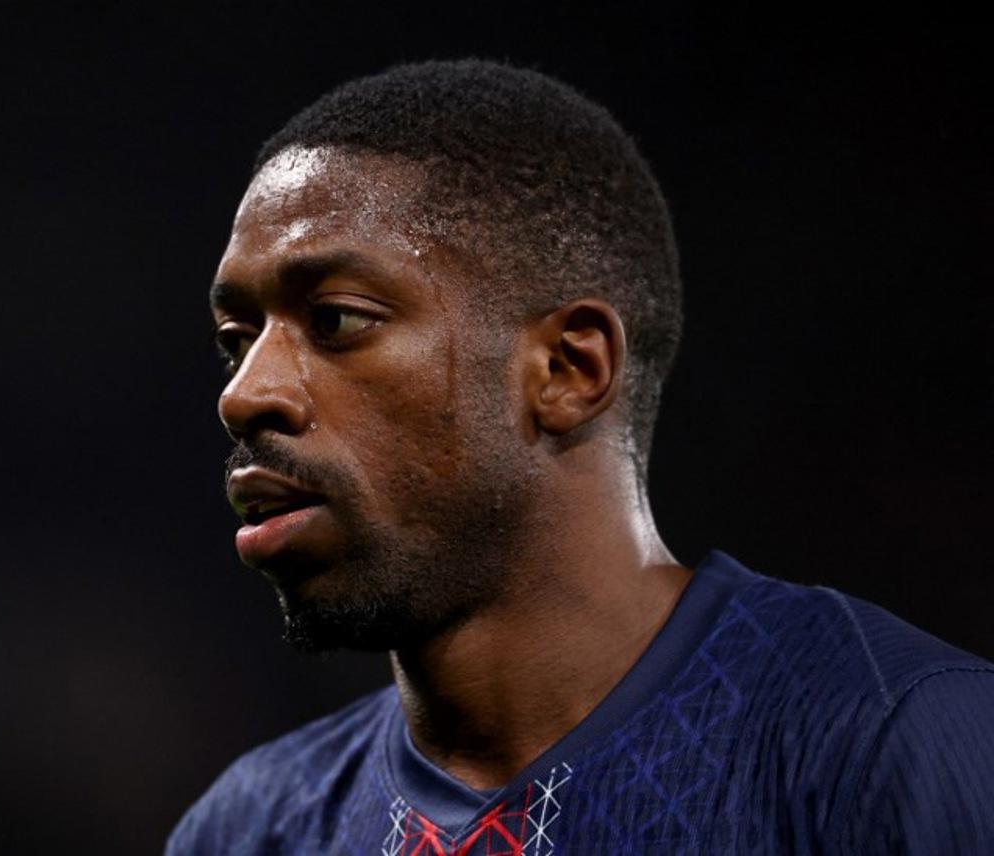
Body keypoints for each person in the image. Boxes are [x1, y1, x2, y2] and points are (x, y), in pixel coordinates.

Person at [166, 60, 994, 854]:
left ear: (568, 371)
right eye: (235, 341)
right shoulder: (251, 827)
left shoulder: (894, 741)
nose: (244, 393)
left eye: (336, 319)